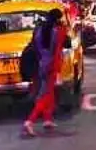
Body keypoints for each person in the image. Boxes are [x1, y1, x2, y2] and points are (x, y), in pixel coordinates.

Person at [23, 8, 70, 136]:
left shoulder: (39, 29)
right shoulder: (57, 31)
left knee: (49, 93)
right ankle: (30, 121)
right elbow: (65, 45)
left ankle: (47, 119)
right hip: (51, 66)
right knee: (45, 96)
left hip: (41, 63)